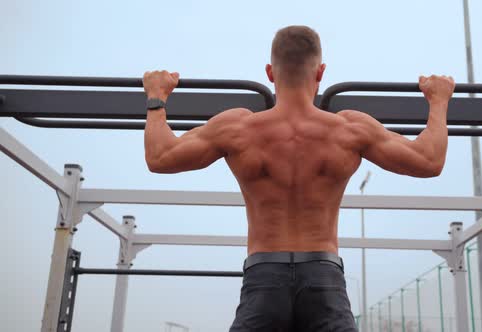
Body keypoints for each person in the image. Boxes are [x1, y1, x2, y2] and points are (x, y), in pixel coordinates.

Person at [142, 25, 454, 331]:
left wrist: (157, 97)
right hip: (324, 277)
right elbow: (429, 160)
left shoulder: (237, 128)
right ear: (320, 72)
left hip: (264, 275)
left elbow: (160, 157)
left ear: (270, 73)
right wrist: (438, 102)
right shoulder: (349, 130)